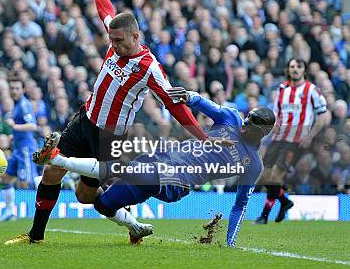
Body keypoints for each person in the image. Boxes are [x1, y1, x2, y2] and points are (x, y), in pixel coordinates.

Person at [5, 0, 221, 245]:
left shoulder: (149, 68)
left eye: (119, 41)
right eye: (111, 39)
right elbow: (104, 8)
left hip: (110, 136)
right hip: (85, 119)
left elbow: (175, 106)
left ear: (136, 36)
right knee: (52, 170)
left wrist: (203, 138)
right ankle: (35, 236)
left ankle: (133, 223)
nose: (114, 44)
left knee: (87, 196)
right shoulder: (116, 38)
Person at [33, 88, 276, 247]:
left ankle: (56, 159)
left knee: (127, 169)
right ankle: (136, 228)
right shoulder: (231, 118)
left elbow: (241, 205)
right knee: (102, 204)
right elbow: (205, 105)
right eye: (246, 120)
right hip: (164, 157)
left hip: (178, 181)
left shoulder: (252, 165)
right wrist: (189, 96)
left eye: (251, 125)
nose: (244, 126)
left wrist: (231, 243)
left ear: (263, 132)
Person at [255, 58, 330, 224]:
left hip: (297, 140)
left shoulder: (312, 90)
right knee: (263, 175)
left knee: (275, 176)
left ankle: (264, 216)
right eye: (292, 67)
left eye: (298, 66)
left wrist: (310, 136)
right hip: (278, 137)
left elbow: (323, 115)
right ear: (288, 70)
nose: (295, 69)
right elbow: (276, 114)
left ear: (304, 70)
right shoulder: (282, 89)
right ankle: (285, 202)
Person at [0, 78, 40, 222]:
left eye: (17, 88)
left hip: (26, 149)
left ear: (23, 90)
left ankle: (57, 184)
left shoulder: (24, 105)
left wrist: (14, 126)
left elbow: (33, 126)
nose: (14, 91)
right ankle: (9, 212)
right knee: (6, 179)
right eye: (12, 88)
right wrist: (12, 136)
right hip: (18, 149)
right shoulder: (16, 106)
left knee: (28, 182)